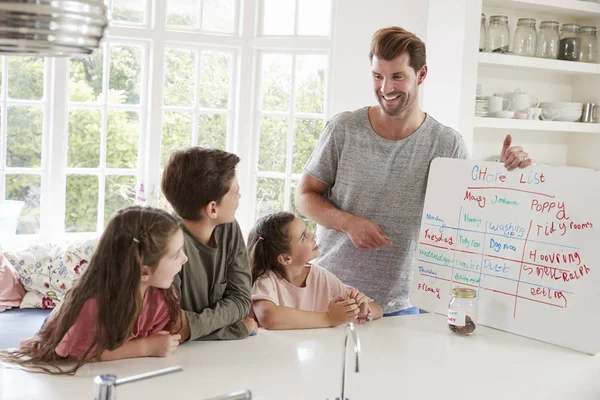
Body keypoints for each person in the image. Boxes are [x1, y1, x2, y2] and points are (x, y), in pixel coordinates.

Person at [295, 26, 533, 316]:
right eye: (377, 76)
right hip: (329, 295)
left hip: (401, 305)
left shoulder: (446, 143)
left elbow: (471, 216)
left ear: (421, 75)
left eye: (397, 77)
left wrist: (506, 174)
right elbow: (305, 196)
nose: (385, 88)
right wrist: (348, 223)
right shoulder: (343, 129)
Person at [0, 206, 188, 374]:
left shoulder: (162, 295)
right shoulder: (94, 303)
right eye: (176, 255)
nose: (185, 259)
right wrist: (146, 347)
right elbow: (88, 351)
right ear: (144, 271)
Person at [161, 147, 256, 340]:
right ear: (213, 208)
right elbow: (171, 326)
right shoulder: (165, 243)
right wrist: (235, 329)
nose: (239, 198)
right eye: (236, 193)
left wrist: (193, 327)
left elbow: (241, 300)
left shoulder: (229, 228)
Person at [248, 212, 383, 329]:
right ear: (285, 258)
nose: (313, 235)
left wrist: (361, 310)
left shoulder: (320, 277)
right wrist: (328, 318)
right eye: (303, 236)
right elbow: (269, 317)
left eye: (307, 231)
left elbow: (378, 310)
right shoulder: (265, 280)